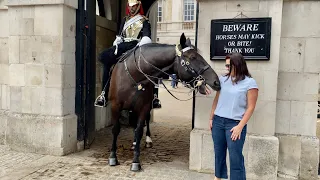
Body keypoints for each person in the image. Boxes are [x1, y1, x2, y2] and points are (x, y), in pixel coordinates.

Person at [95, 0, 161, 109]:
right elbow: (120, 35)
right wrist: (117, 41)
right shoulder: (125, 20)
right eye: (130, 6)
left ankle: (154, 97)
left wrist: (141, 44)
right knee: (106, 61)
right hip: (123, 45)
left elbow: (146, 36)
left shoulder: (144, 21)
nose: (132, 8)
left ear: (138, 6)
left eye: (134, 6)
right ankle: (104, 95)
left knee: (153, 66)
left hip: (137, 45)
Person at [209, 53, 259, 180]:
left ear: (237, 65)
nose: (226, 68)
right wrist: (211, 118)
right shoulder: (222, 79)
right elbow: (216, 100)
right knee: (219, 154)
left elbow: (251, 107)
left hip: (235, 124)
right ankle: (217, 178)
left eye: (228, 66)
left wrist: (240, 127)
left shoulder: (250, 83)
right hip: (218, 122)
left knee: (235, 157)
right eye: (225, 66)